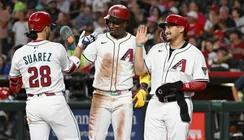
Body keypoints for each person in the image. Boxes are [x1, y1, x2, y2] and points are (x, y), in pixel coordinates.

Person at [9, 11, 97, 140]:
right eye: (49, 26)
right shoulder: (56, 47)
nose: (50, 29)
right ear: (45, 28)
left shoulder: (19, 53)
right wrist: (80, 46)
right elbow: (71, 68)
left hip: (33, 104)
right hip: (54, 101)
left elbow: (14, 87)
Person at [72, 4, 150, 140]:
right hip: (100, 96)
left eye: (116, 22)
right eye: (110, 21)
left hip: (123, 97)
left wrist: (143, 89)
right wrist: (78, 48)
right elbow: (79, 65)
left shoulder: (135, 42)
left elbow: (143, 71)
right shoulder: (99, 40)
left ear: (125, 23)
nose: (112, 25)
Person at [134, 14, 209, 140]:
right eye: (165, 27)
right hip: (155, 102)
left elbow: (202, 83)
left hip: (178, 103)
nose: (166, 30)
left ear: (181, 29)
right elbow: (139, 70)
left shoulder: (194, 53)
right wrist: (139, 46)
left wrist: (181, 86)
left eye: (170, 27)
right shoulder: (156, 49)